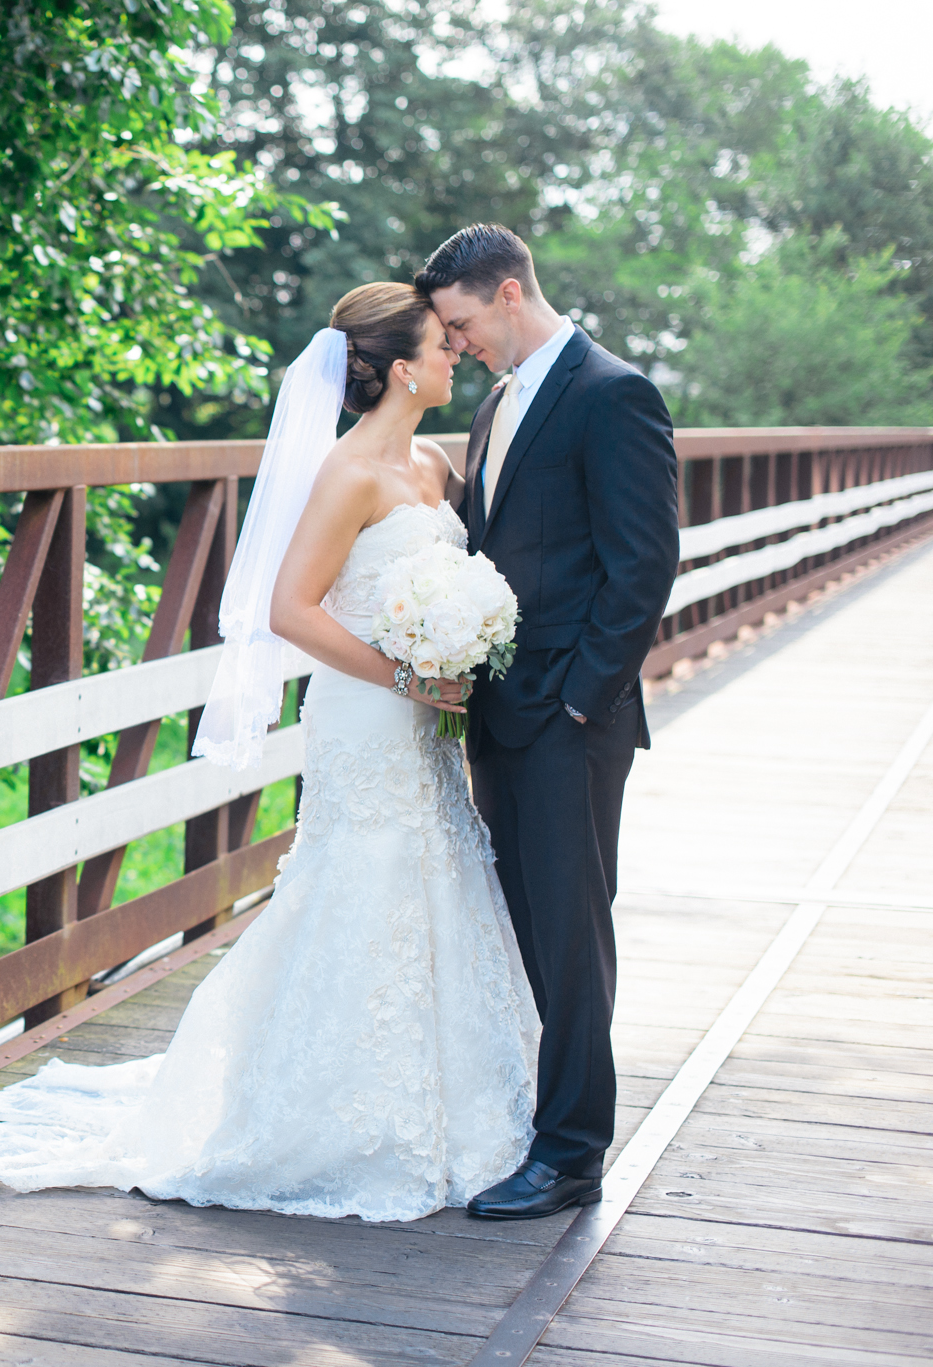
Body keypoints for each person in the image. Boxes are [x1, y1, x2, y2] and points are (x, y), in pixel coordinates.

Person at [0, 282, 541, 1222]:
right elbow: (289, 609)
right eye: (442, 345)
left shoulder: (434, 464)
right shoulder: (346, 472)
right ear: (402, 368)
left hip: (426, 720)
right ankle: (325, 1115)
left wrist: (459, 644)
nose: (453, 357)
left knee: (438, 875)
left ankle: (455, 1109)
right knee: (362, 885)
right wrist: (405, 677)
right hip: (367, 714)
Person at [416, 225, 679, 1219]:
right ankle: (539, 1117)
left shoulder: (612, 394)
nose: (457, 342)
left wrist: (579, 698)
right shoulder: (492, 404)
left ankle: (571, 1153)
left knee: (570, 937)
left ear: (511, 291)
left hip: (569, 721)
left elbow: (642, 563)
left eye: (463, 321)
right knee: (525, 926)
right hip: (499, 714)